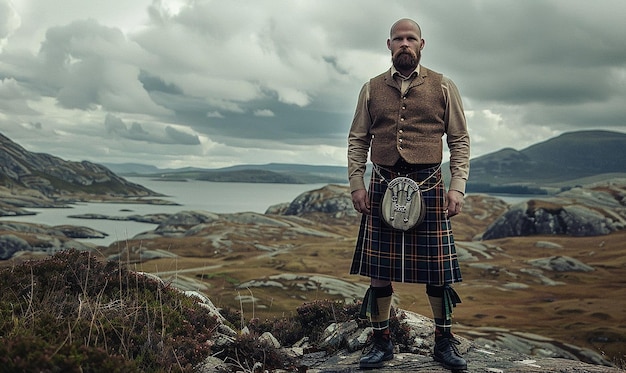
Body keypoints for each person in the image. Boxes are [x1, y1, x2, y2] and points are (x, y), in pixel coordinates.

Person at [347, 18, 470, 371]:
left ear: (421, 44)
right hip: (382, 183)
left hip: (429, 184)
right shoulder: (371, 88)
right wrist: (357, 183)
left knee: (438, 272)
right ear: (389, 45)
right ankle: (381, 341)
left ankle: (444, 343)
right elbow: (358, 139)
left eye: (410, 38)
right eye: (398, 39)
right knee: (379, 270)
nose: (404, 44)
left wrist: (457, 187)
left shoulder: (444, 86)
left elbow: (459, 140)